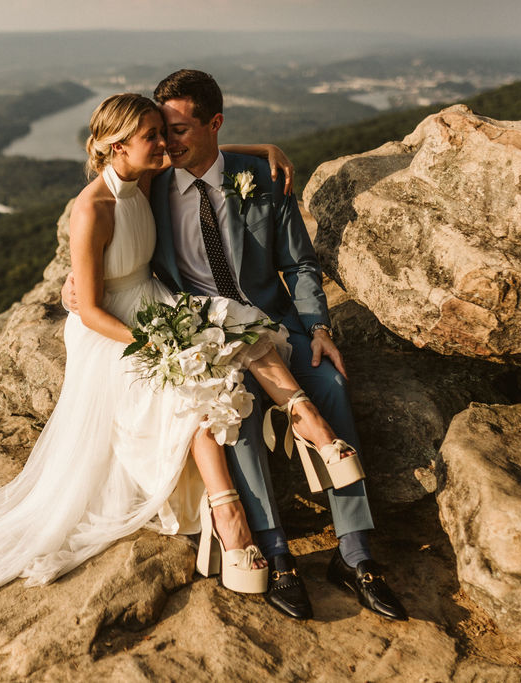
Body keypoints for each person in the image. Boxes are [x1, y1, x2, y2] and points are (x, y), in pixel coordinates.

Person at [0, 93, 350, 605]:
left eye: (165, 134)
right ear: (119, 147)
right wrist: (156, 343)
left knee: (237, 326)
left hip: (155, 300)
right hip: (113, 330)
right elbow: (92, 308)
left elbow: (204, 151)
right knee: (191, 389)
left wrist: (266, 147)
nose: (165, 144)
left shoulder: (144, 175)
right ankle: (228, 517)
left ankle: (308, 423)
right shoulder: (91, 208)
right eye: (153, 137)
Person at [146, 69, 408, 621]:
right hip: (209, 334)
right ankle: (276, 552)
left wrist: (318, 327)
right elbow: (104, 195)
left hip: (278, 327)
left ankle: (356, 553)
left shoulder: (261, 176)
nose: (167, 142)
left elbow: (299, 262)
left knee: (332, 383)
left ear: (215, 124)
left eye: (179, 129)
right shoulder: (151, 184)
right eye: (162, 130)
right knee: (233, 414)